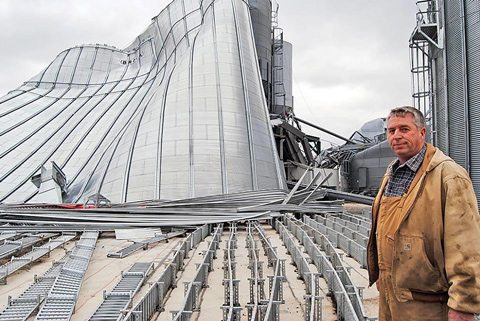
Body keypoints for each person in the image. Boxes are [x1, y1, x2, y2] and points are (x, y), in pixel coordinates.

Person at [367, 106, 480, 321]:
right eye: (391, 131)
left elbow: (466, 246)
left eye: (404, 129)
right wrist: (383, 275)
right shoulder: (392, 172)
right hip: (393, 296)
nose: (397, 136)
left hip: (428, 302)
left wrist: (463, 305)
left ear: (421, 133)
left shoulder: (449, 176)